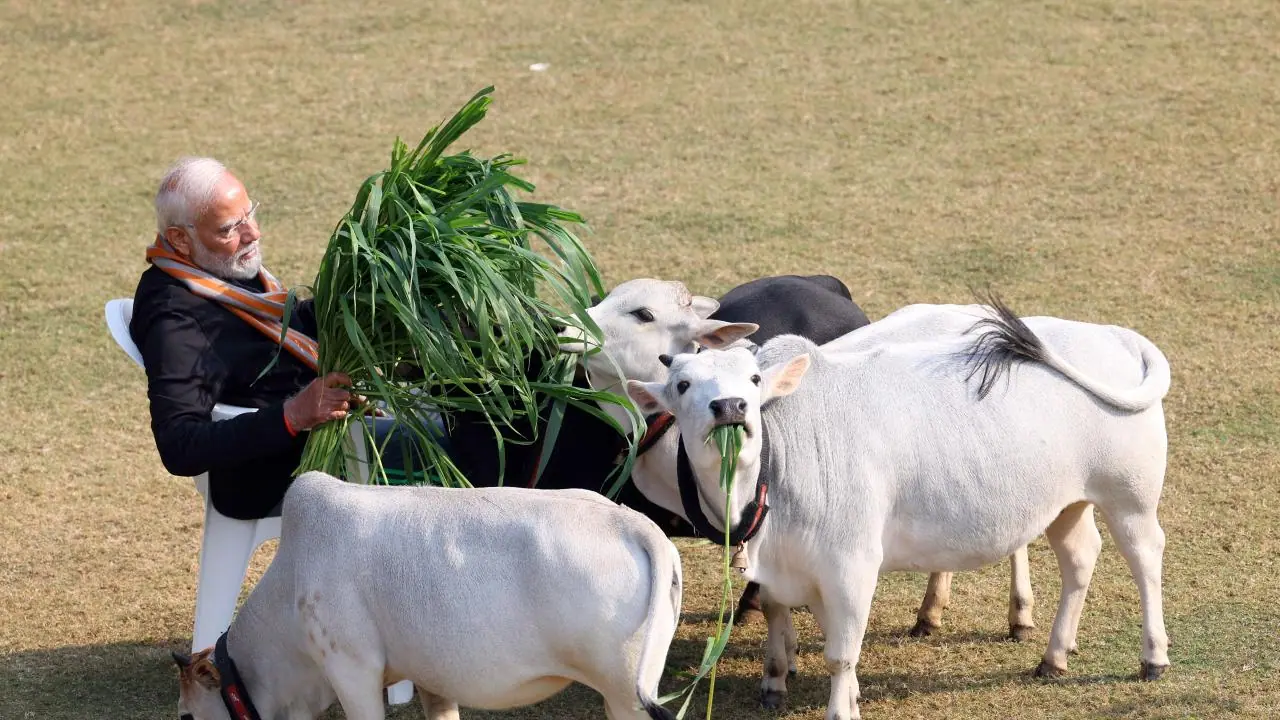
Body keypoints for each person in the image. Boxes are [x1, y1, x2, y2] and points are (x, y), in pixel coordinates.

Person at [130, 157, 356, 519]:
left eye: (250, 214)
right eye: (229, 228)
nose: (253, 233)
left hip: (327, 443)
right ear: (179, 239)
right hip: (283, 475)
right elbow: (180, 445)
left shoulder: (216, 270)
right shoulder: (174, 318)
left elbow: (289, 326)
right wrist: (294, 415)